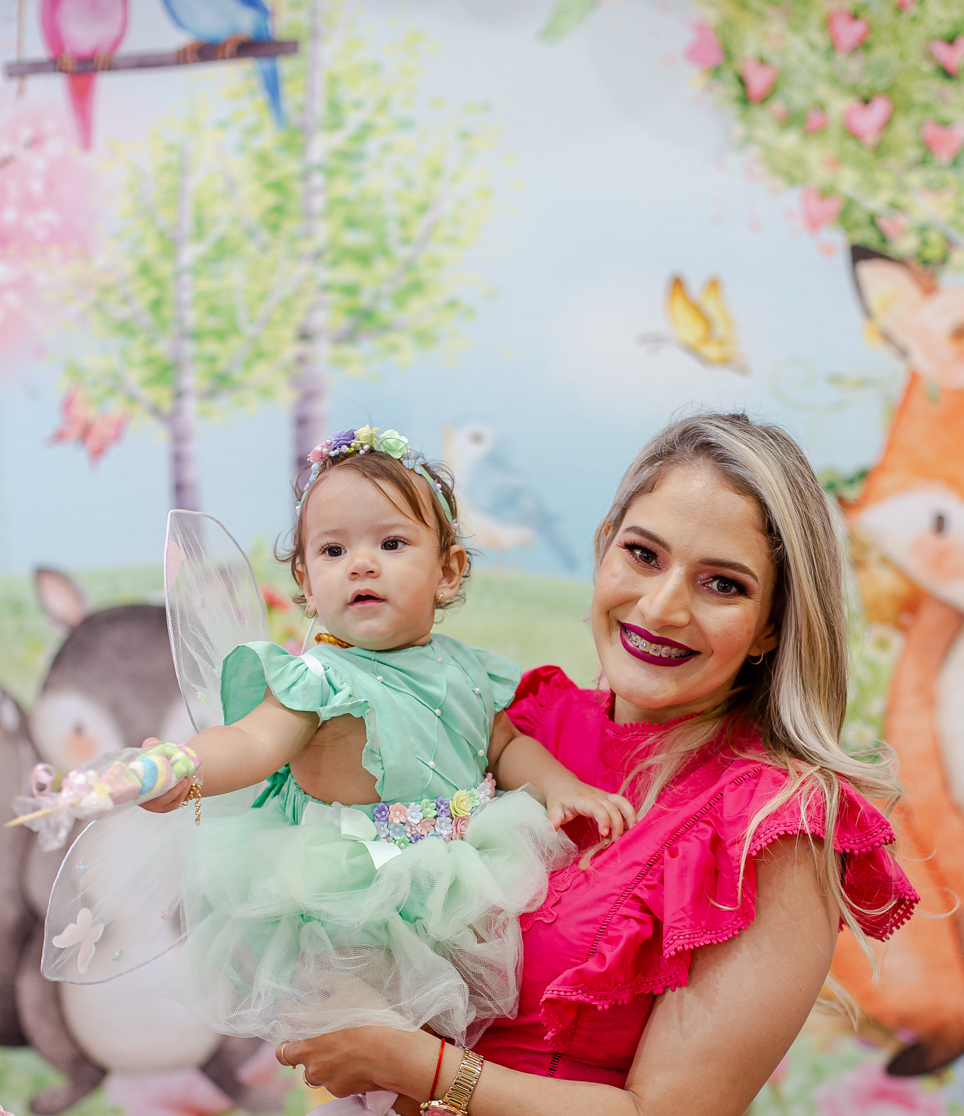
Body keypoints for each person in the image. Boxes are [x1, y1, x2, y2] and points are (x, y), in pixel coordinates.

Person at [178, 412, 917, 1116]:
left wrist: (419, 1066)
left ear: (776, 623)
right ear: (604, 547)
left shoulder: (776, 822)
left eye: (722, 584)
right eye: (642, 553)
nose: (663, 606)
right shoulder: (517, 723)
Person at [139, 424, 632, 1048]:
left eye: (392, 543)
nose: (361, 564)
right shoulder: (316, 679)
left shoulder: (466, 666)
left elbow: (505, 746)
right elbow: (252, 744)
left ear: (448, 572)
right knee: (369, 1044)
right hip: (357, 895)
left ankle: (442, 1095)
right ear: (306, 583)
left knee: (468, 1036)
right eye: (333, 551)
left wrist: (560, 786)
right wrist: (186, 766)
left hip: (464, 871)